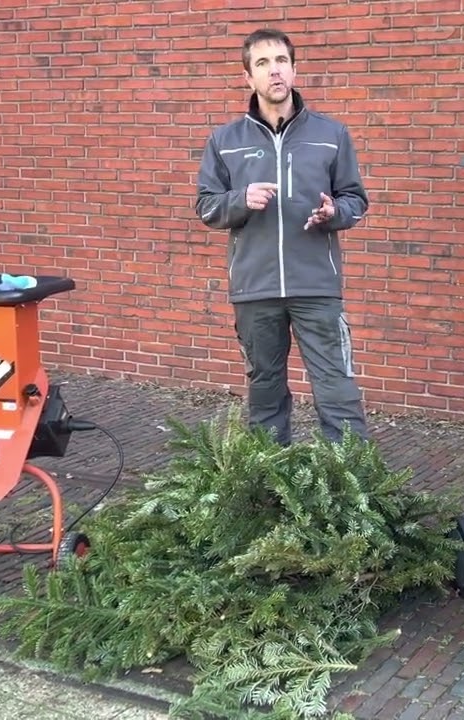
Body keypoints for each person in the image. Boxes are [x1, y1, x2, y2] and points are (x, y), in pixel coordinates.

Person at [194, 28, 371, 446]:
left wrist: (334, 213)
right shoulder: (225, 142)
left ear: (294, 70)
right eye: (262, 63)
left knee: (337, 391)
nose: (274, 71)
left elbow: (356, 200)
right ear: (248, 77)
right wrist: (240, 199)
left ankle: (352, 495)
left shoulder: (331, 134)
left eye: (281, 61)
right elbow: (205, 206)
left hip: (317, 286)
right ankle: (269, 492)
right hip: (255, 290)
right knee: (265, 396)